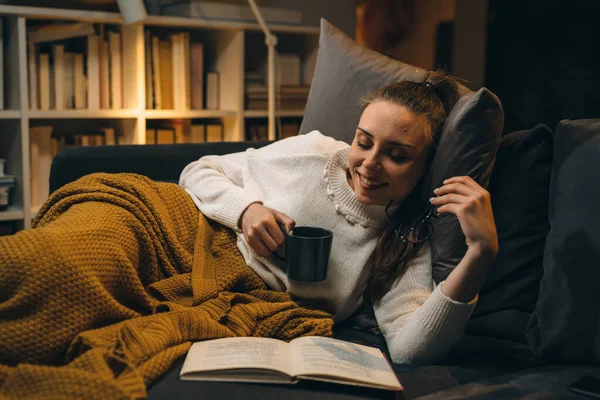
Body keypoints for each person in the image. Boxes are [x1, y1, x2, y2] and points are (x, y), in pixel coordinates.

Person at [179, 70, 499, 364]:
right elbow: (198, 170)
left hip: (230, 294)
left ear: (425, 168)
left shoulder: (403, 242)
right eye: (363, 142)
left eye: (397, 155)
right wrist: (246, 210)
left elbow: (408, 348)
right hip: (184, 232)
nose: (370, 163)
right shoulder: (316, 150)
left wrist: (480, 252)